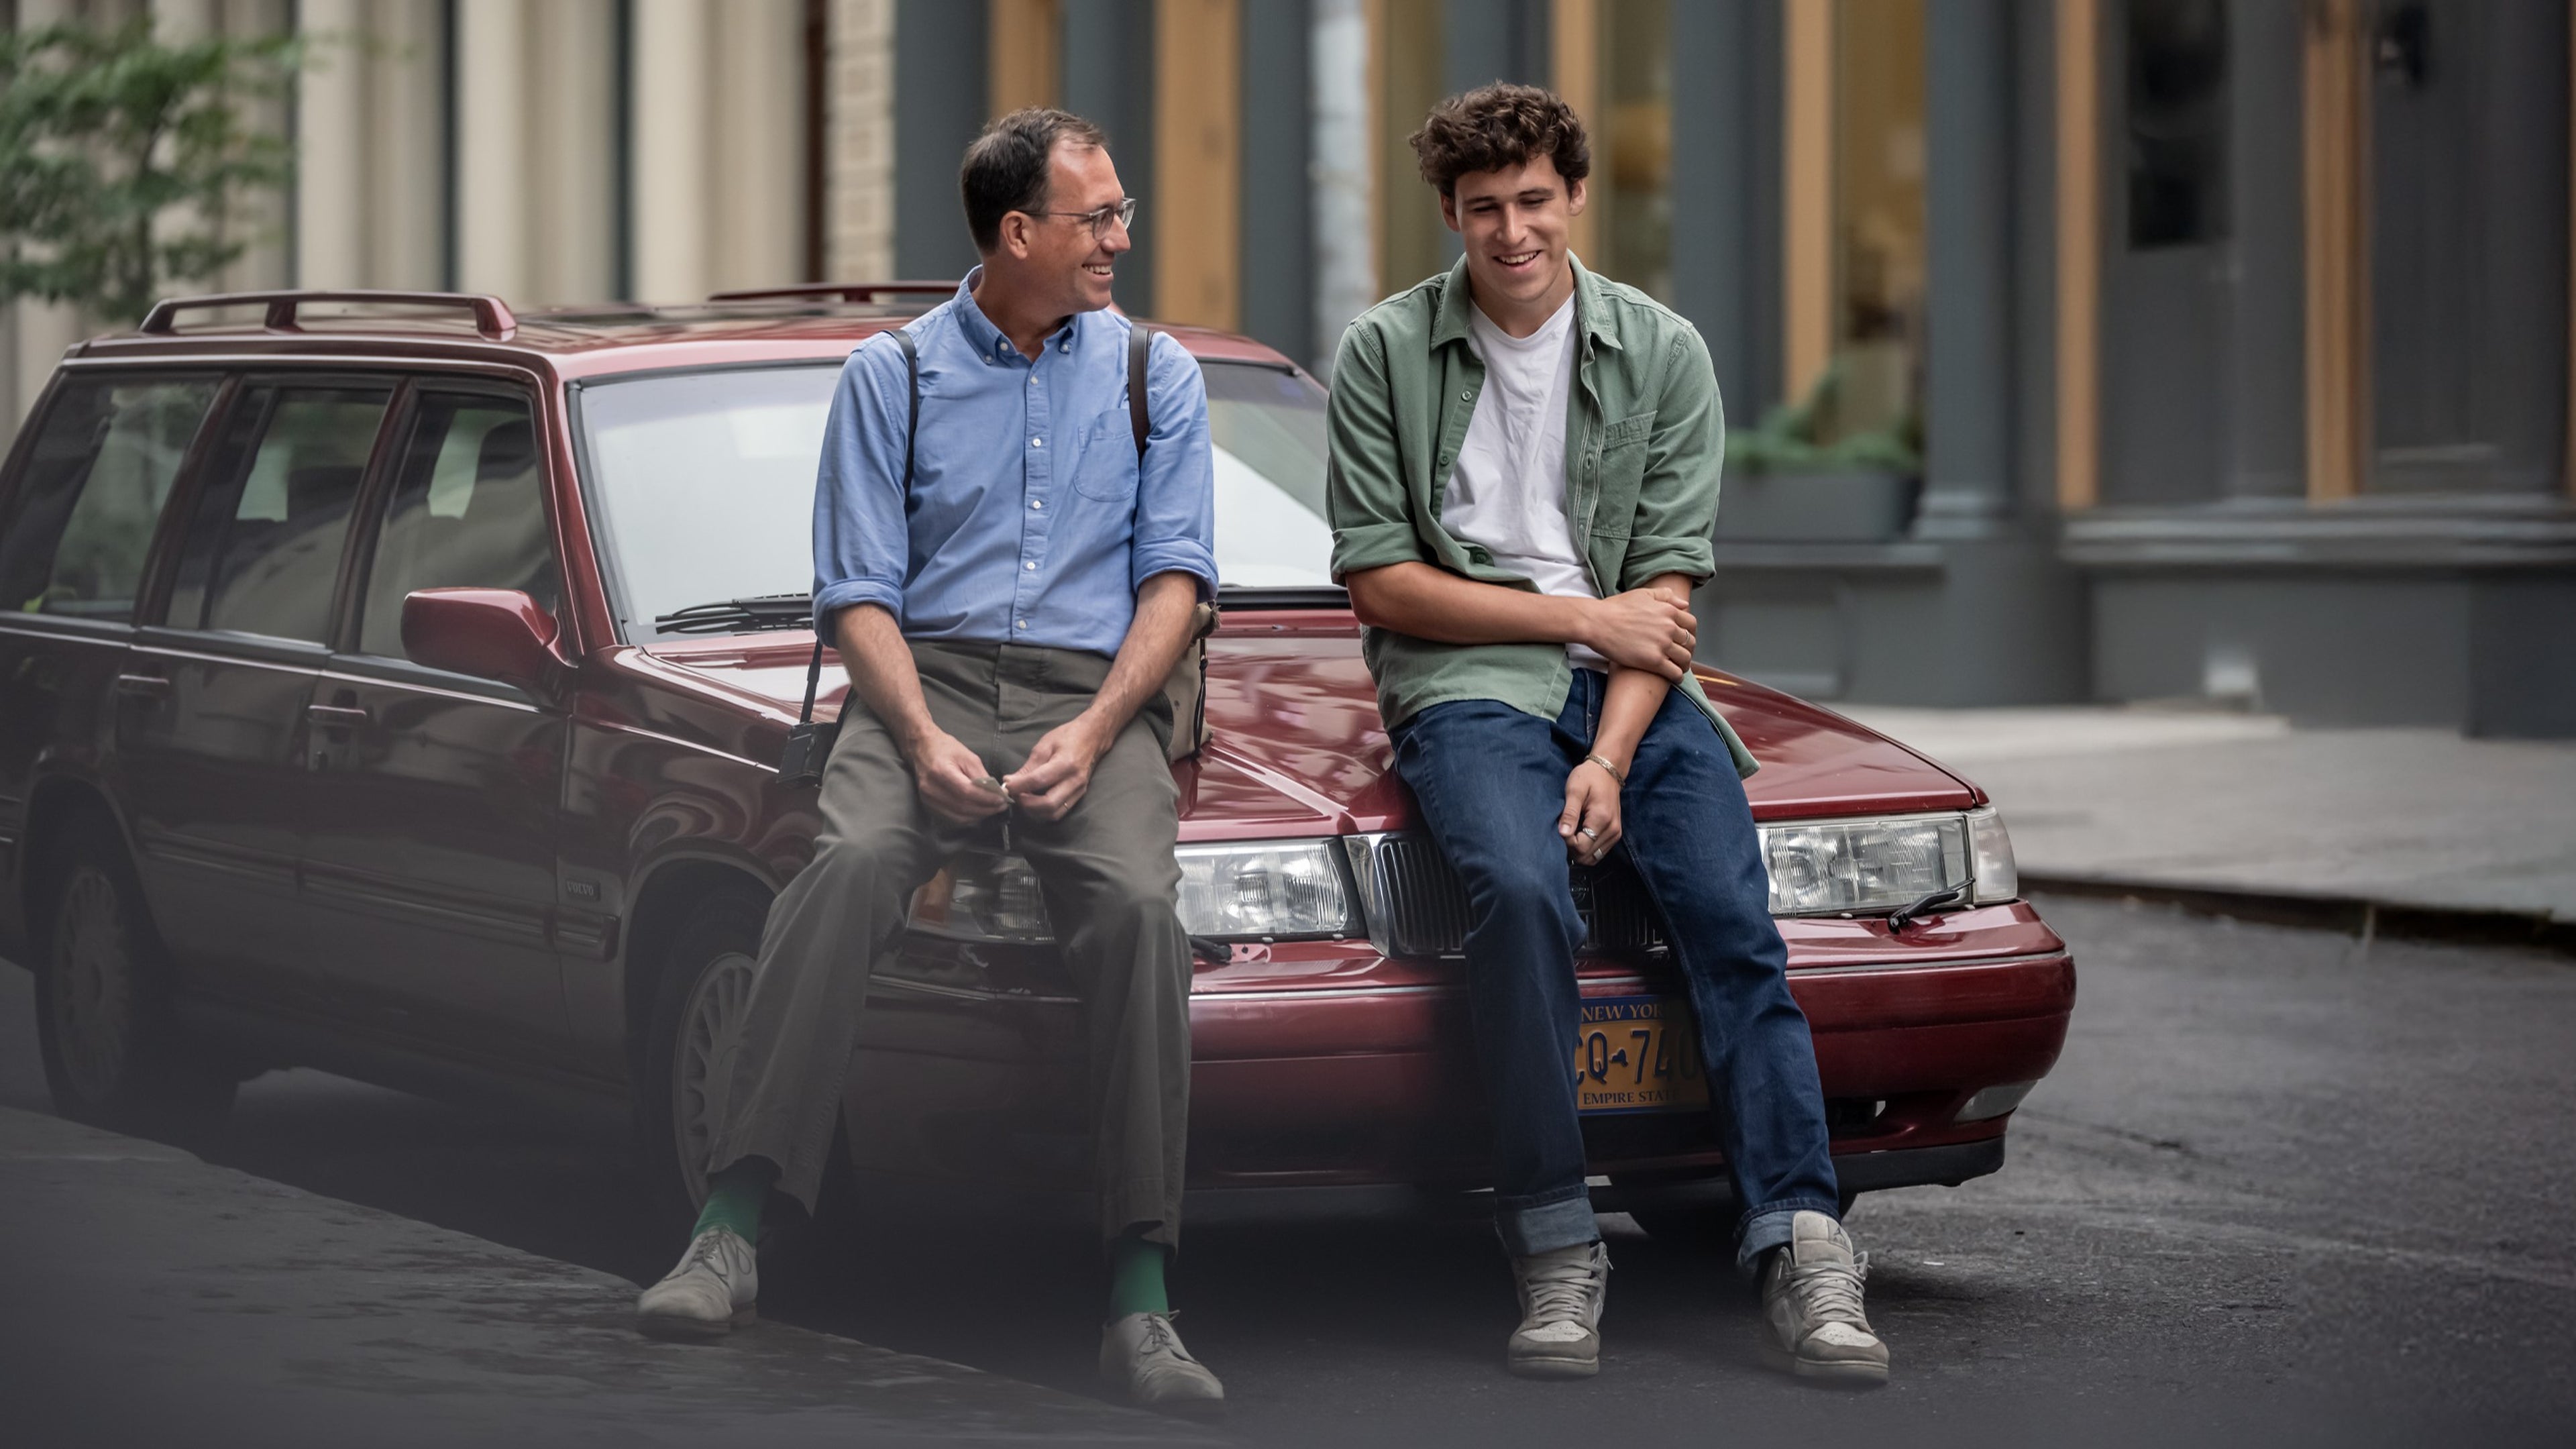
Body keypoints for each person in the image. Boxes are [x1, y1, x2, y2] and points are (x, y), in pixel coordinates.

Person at [633, 107, 1227, 1418]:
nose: (1122, 238)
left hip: (1098, 693)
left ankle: (1141, 1305)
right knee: (842, 865)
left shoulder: (1153, 373)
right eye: (1100, 218)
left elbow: (1178, 581)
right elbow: (857, 594)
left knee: (1137, 911)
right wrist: (921, 739)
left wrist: (1092, 730)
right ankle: (728, 1233)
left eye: (1122, 213)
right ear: (1019, 232)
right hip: (927, 681)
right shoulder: (890, 377)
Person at [1323, 83, 1888, 1387]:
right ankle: (1554, 1235)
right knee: (1521, 896)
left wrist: (1612, 757)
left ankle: (1802, 1242)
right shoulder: (1387, 354)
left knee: (1733, 924)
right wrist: (1583, 619)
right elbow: (1382, 581)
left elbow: (1668, 600)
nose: (1511, 232)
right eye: (1481, 211)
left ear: (1575, 196)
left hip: (1636, 696)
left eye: (1533, 202)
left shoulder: (1664, 352)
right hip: (1470, 679)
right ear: (1450, 216)